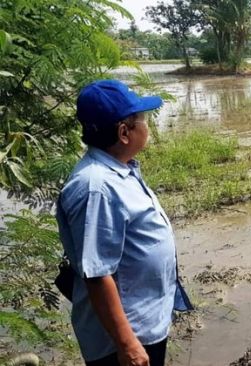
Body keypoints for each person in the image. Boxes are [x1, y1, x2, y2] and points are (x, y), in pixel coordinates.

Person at [56, 80, 193, 366]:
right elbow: (97, 274)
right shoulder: (97, 187)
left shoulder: (120, 170)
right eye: (143, 120)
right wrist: (127, 343)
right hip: (123, 340)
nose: (148, 126)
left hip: (144, 322)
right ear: (124, 132)